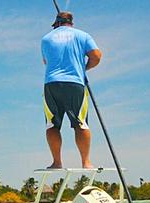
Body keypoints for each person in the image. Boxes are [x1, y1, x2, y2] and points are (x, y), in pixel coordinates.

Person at [41, 11, 102, 169]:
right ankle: (86, 162)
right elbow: (96, 56)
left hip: (51, 83)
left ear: (57, 23)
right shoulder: (83, 35)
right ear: (71, 23)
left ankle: (57, 162)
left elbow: (46, 61)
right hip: (75, 83)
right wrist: (84, 68)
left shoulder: (46, 39)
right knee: (80, 123)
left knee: (52, 125)